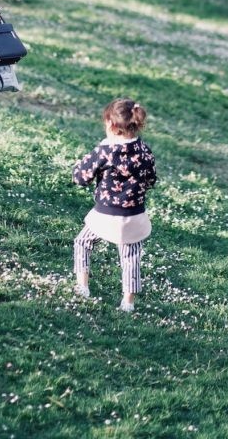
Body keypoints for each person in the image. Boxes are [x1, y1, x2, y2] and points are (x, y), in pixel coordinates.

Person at [72, 98, 157, 312]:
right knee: (131, 257)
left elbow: (80, 178)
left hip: (105, 216)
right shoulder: (145, 151)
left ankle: (82, 286)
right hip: (134, 216)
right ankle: (128, 302)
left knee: (83, 242)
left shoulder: (104, 151)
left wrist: (84, 160)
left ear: (110, 123)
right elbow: (151, 180)